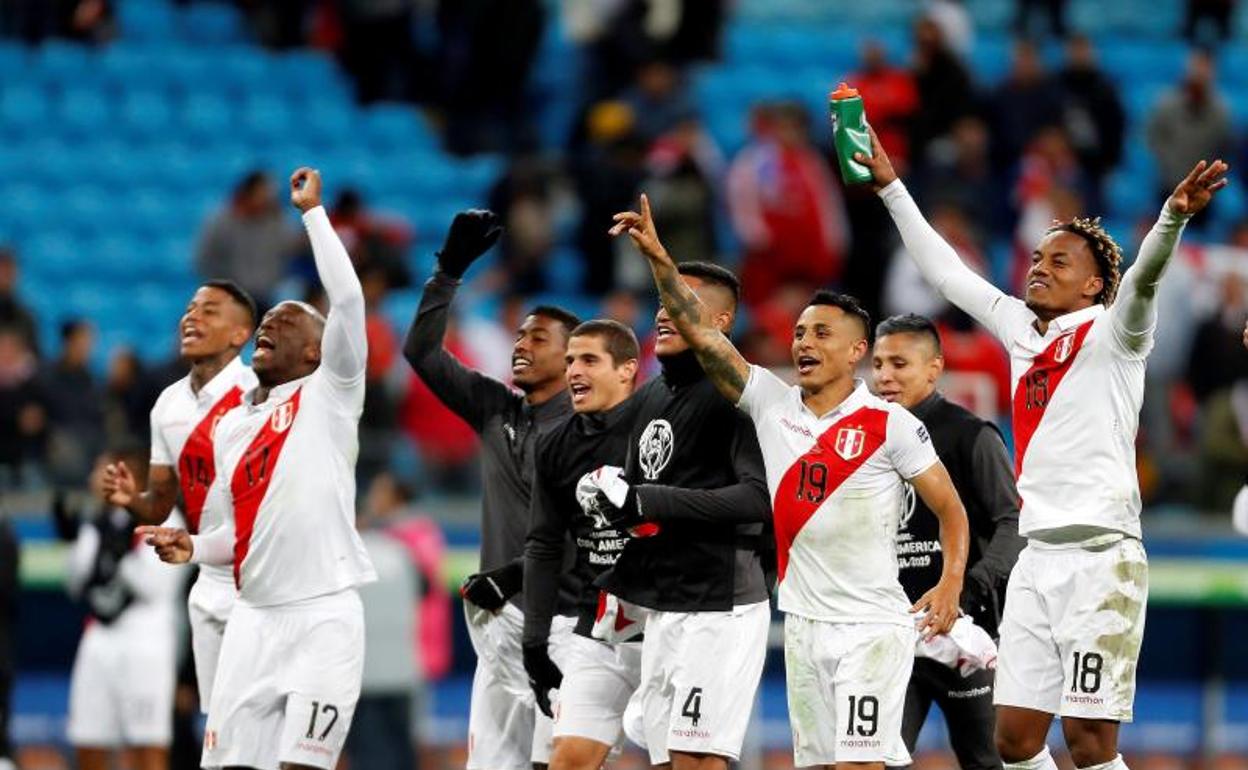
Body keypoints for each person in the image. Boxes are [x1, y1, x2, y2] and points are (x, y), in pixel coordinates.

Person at [856, 127, 1230, 770]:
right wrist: (891, 186)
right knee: (1016, 742)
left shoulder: (1117, 335)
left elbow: (1141, 280)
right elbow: (945, 272)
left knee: (1089, 745)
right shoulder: (1018, 331)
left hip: (1102, 558)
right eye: (1036, 258)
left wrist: (1170, 218)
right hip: (1036, 562)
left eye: (1059, 262)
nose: (1039, 267)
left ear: (1091, 286)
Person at [614, 195, 970, 770]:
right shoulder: (770, 405)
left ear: (857, 351)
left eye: (822, 333)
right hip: (803, 626)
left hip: (871, 627)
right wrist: (660, 259)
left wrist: (950, 582)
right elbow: (705, 339)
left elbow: (950, 508)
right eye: (800, 332)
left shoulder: (890, 424)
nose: (804, 343)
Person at [139, 167, 378, 770]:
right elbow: (239, 539)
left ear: (318, 350)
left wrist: (313, 215)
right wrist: (191, 545)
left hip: (323, 613)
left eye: (285, 323)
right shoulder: (233, 426)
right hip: (251, 619)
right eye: (264, 324)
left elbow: (348, 300)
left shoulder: (333, 392)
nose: (268, 328)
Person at [402, 210, 583, 770]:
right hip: (497, 630)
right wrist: (448, 273)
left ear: (572, 358)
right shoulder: (495, 407)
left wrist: (508, 577)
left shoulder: (589, 432)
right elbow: (423, 354)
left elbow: (581, 537)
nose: (521, 343)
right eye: (521, 332)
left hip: (563, 631)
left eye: (539, 337)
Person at [577, 259, 774, 770]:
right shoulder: (650, 397)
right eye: (662, 302)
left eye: (683, 303)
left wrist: (651, 500)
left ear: (722, 322)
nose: (664, 314)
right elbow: (638, 509)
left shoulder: (741, 395)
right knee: (667, 761)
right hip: (667, 604)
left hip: (721, 601)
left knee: (693, 758)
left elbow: (757, 499)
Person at [872, 314, 1026, 769]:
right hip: (892, 635)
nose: (884, 375)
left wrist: (967, 590)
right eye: (878, 363)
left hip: (967, 635)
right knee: (876, 760)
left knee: (988, 760)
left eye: (899, 363)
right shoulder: (864, 438)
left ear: (934, 369)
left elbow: (1013, 525)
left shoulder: (971, 435)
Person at [101, 279, 257, 715]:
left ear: (239, 334)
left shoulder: (258, 395)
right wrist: (134, 499)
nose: (192, 317)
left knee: (262, 722)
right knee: (219, 726)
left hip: (260, 585)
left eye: (210, 311)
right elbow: (160, 505)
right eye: (190, 308)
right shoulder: (167, 404)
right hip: (207, 581)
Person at [521, 320, 641, 767]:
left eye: (589, 360)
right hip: (598, 628)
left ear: (628, 369)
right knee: (567, 758)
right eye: (570, 360)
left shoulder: (657, 428)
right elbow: (544, 545)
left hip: (667, 624)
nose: (573, 370)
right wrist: (534, 640)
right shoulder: (555, 445)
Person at [62, 446, 184, 770]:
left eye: (100, 471)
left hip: (145, 639)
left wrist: (122, 556)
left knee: (147, 742)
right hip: (100, 636)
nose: (93, 479)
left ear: (127, 474)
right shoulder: (98, 520)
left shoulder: (166, 517)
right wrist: (72, 540)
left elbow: (157, 585)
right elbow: (76, 584)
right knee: (88, 737)